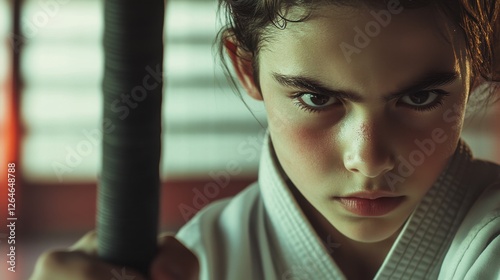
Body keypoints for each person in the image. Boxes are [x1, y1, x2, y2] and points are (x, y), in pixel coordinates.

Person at [31, 0, 500, 279]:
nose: (369, 159)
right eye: (317, 99)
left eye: (420, 98)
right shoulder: (204, 257)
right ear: (246, 68)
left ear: (475, 71)